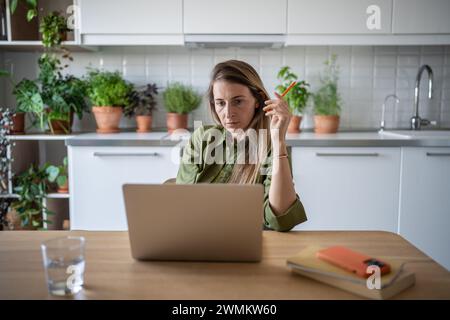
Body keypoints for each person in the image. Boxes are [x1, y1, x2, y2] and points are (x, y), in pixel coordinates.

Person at [176, 60, 307, 232]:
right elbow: (180, 205)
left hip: (250, 243)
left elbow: (282, 220)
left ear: (258, 101)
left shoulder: (271, 146)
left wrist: (279, 141)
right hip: (200, 237)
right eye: (221, 103)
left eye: (238, 101)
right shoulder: (203, 138)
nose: (228, 113)